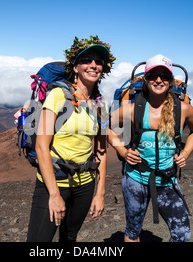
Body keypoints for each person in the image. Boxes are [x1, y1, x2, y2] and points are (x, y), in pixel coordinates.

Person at [26, 36, 115, 242]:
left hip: (86, 184)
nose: (93, 65)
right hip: (55, 181)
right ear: (75, 67)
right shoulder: (58, 96)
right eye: (86, 60)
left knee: (70, 237)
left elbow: (101, 151)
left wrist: (100, 193)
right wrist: (55, 195)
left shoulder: (100, 106)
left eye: (99, 61)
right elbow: (41, 146)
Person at [109, 54, 193, 242]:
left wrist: (185, 153)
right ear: (145, 79)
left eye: (164, 75)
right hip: (136, 179)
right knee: (133, 232)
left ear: (170, 81)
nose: (158, 79)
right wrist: (122, 151)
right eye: (153, 75)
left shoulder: (183, 109)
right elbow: (106, 127)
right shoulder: (132, 109)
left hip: (167, 181)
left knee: (182, 234)